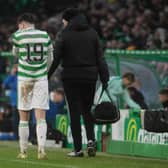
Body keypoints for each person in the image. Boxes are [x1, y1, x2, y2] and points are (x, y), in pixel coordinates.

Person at [48, 8, 109, 157]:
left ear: (68, 20)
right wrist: (104, 78)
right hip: (90, 77)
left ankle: (77, 149)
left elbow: (56, 58)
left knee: (74, 113)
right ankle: (91, 141)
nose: (62, 23)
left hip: (71, 77)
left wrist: (47, 75)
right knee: (87, 111)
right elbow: (100, 58)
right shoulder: (92, 33)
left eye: (63, 21)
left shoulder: (64, 34)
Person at [12, 13, 53, 159]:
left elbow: (15, 53)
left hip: (25, 79)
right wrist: (44, 72)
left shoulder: (18, 36)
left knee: (24, 116)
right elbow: (50, 57)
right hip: (41, 79)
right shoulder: (45, 35)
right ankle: (41, 150)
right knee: (41, 115)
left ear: (22, 24)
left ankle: (23, 152)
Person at [3, 65, 19, 139]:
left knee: (24, 120)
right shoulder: (13, 77)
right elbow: (4, 84)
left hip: (24, 102)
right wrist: (12, 74)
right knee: (15, 120)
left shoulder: (21, 76)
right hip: (14, 103)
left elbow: (17, 86)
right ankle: (16, 136)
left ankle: (26, 136)